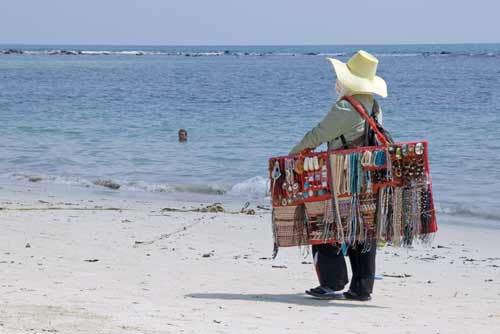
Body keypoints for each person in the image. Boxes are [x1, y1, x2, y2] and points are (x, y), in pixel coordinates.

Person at [289, 50, 388, 301]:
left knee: (323, 224)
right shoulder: (374, 105)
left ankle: (332, 282)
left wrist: (293, 156)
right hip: (366, 175)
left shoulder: (346, 106)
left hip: (342, 173)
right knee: (362, 228)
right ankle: (361, 288)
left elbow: (318, 134)